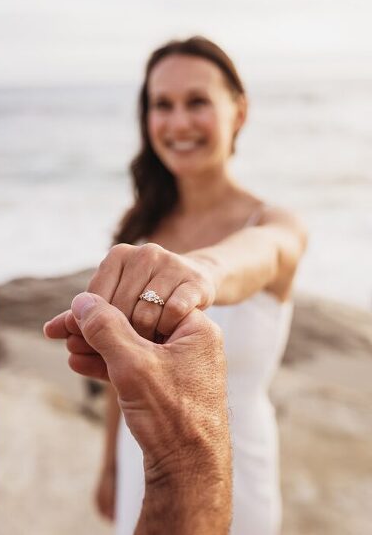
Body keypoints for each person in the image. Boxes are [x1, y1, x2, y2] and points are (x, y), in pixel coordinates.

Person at [52, 37, 307, 534]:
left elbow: (261, 253)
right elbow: (118, 369)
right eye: (161, 105)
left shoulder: (274, 224)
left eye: (197, 102)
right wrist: (110, 464)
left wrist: (202, 273)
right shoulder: (137, 234)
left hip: (235, 460)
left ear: (240, 111)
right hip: (140, 456)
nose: (179, 122)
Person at [44, 292, 232, 534]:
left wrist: (194, 282)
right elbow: (120, 375)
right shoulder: (127, 258)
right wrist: (110, 465)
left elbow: (230, 264)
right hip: (137, 437)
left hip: (242, 436)